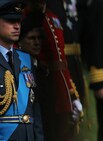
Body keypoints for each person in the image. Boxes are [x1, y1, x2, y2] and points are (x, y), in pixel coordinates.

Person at [23, 1, 84, 141]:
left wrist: (72, 95)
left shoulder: (53, 16)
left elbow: (61, 62)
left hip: (60, 87)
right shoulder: (26, 18)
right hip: (42, 83)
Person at [0, 0, 44, 141]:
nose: (17, 26)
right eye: (10, 21)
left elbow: (35, 109)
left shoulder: (26, 59)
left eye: (18, 21)